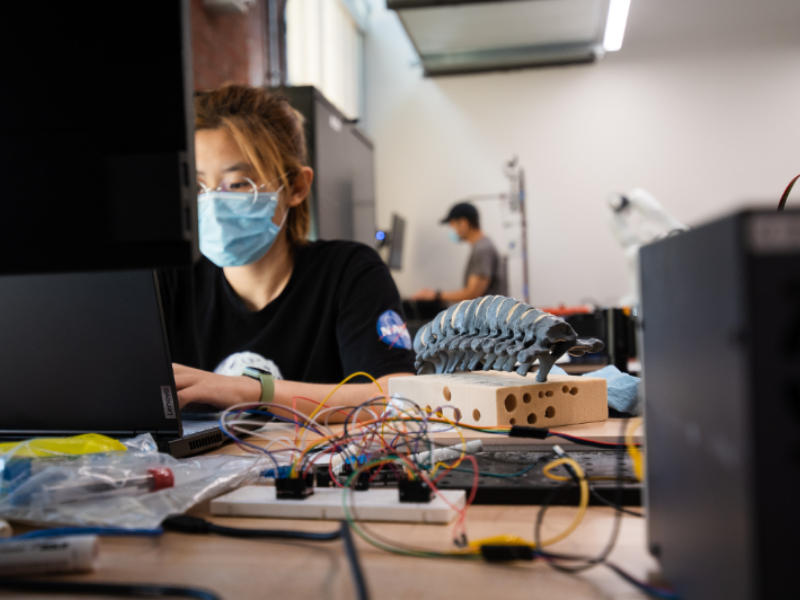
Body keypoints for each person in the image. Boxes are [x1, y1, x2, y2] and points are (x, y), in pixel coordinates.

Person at [158, 85, 415, 422]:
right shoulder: (169, 280)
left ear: (296, 187)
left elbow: (393, 395)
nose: (214, 203)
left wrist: (251, 390)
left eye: (238, 185)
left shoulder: (349, 272)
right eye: (199, 186)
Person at [412, 202, 506, 303]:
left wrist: (435, 295)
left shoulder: (483, 249)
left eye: (452, 225)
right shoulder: (481, 247)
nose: (451, 230)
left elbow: (473, 294)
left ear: (463, 223)